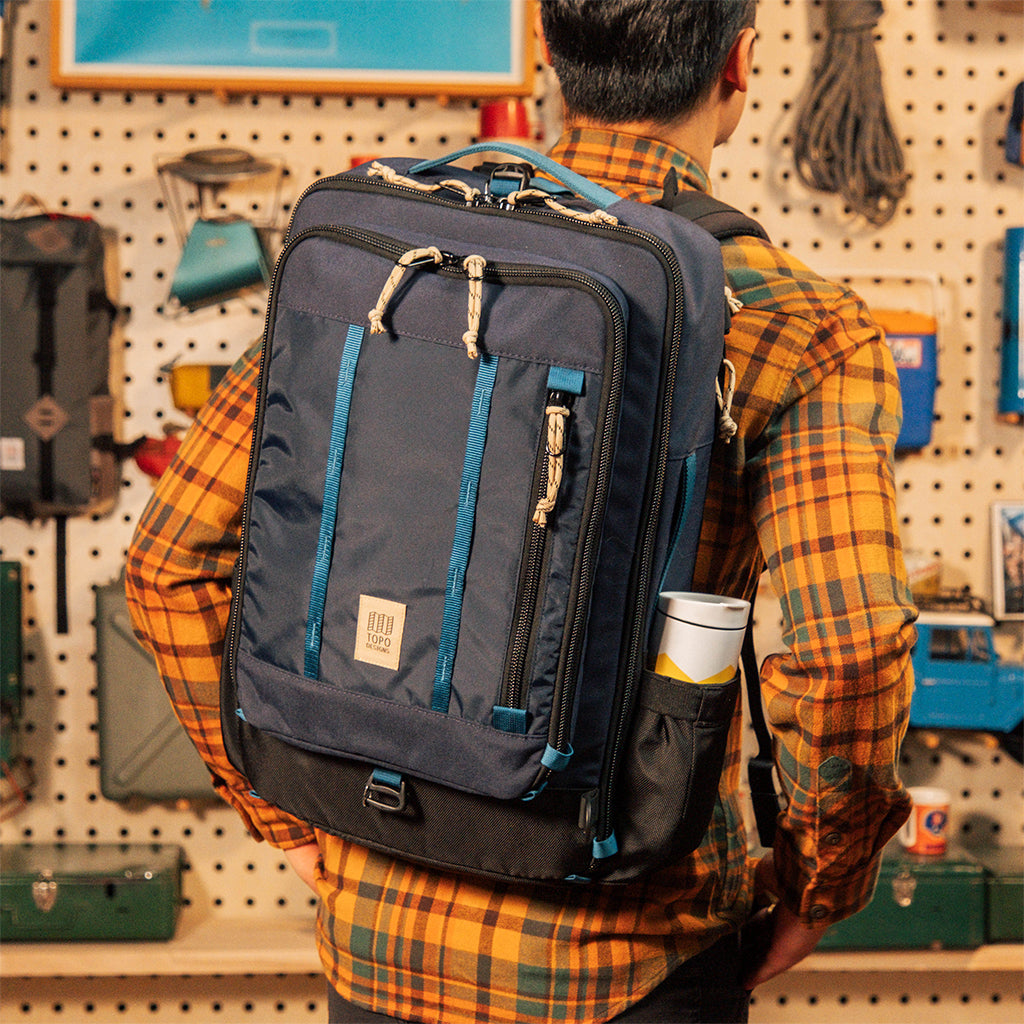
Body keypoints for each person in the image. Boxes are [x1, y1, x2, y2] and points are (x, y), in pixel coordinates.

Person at [126, 2, 917, 1021]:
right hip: (628, 956)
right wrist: (822, 884)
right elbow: (848, 652)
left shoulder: (387, 251)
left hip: (375, 944)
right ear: (740, 62)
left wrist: (285, 813)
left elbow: (167, 562)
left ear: (545, 47)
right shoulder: (794, 321)